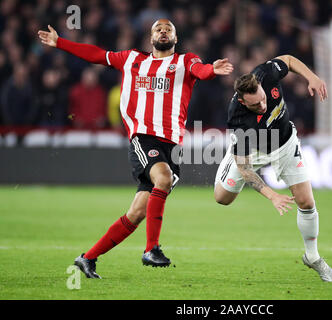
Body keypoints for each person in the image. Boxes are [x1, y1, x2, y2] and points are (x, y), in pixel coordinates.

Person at [38, 19, 233, 278]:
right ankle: (151, 249)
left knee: (137, 213)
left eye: (169, 29)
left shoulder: (186, 62)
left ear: (176, 39)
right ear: (150, 38)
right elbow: (96, 55)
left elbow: (202, 70)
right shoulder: (131, 59)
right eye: (158, 29)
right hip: (144, 137)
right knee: (162, 179)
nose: (163, 31)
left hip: (172, 145)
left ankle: (87, 258)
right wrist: (60, 42)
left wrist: (212, 69)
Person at [214, 55, 332, 282]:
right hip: (251, 151)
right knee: (222, 198)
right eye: (255, 104)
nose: (262, 105)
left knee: (307, 202)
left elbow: (289, 60)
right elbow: (245, 169)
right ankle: (229, 158)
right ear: (243, 102)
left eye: (262, 99)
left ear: (262, 86)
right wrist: (272, 196)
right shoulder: (238, 117)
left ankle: (313, 256)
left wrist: (312, 77)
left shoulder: (267, 73)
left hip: (284, 142)